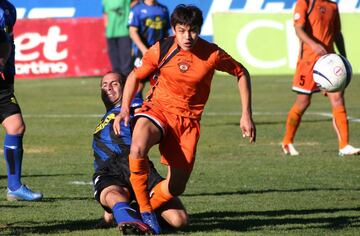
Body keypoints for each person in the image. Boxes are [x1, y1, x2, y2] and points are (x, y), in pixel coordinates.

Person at [113, 4, 256, 234]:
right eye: (181, 30)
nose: (187, 36)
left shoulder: (212, 53)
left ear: (199, 29)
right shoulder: (162, 48)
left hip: (187, 123)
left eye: (192, 30)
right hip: (157, 110)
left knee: (176, 187)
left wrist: (246, 114)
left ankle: (140, 208)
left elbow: (241, 73)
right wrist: (125, 109)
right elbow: (134, 76)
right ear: (174, 29)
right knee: (137, 148)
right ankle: (147, 214)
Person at [93, 72, 188, 234]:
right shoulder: (107, 115)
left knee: (179, 220)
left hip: (137, 164)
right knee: (114, 194)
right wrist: (108, 215)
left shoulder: (136, 106)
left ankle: (134, 209)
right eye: (104, 84)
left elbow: (152, 124)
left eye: (115, 83)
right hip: (109, 171)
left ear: (126, 87)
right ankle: (128, 219)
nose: (108, 87)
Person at [282, 0, 360, 156]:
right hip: (308, 62)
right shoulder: (305, 3)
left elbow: (337, 34)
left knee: (337, 98)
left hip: (329, 64)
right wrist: (313, 45)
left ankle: (344, 146)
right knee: (303, 102)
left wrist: (343, 57)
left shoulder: (333, 6)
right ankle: (287, 142)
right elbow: (298, 29)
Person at [0, 0, 43, 201]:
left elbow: (7, 42)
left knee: (15, 126)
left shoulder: (9, 9)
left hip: (3, 79)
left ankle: (14, 186)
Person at [128, 0, 170, 99]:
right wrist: (143, 49)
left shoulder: (163, 9)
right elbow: (132, 31)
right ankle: (134, 105)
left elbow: (166, 32)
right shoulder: (137, 9)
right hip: (142, 52)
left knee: (160, 80)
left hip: (160, 52)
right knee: (139, 79)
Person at [102, 0, 133, 76]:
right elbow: (105, 14)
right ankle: (117, 79)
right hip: (110, 33)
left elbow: (135, 4)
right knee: (115, 62)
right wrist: (106, 29)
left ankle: (126, 80)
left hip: (124, 32)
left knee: (126, 62)